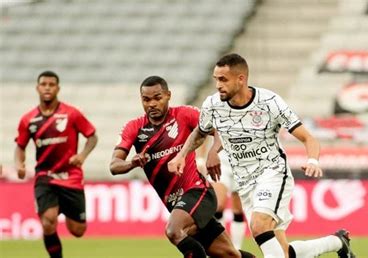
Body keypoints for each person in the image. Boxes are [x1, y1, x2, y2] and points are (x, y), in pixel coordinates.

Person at [168, 53, 356, 258]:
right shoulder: (213, 105)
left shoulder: (269, 102)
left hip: (272, 173)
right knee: (282, 252)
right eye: (216, 79)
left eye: (223, 79)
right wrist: (182, 155)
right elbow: (200, 132)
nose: (218, 85)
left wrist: (312, 159)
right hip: (245, 182)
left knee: (259, 226)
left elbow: (308, 138)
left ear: (241, 79)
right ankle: (338, 241)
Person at [109, 76, 255, 258]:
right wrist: (132, 162)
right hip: (178, 204)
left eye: (157, 98)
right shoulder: (134, 128)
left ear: (168, 95)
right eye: (146, 100)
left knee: (173, 231)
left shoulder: (184, 114)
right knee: (230, 254)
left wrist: (213, 152)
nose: (152, 104)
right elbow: (114, 165)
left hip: (198, 192)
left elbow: (220, 129)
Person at [14, 71, 98, 258]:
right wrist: (19, 164)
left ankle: (63, 208)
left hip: (71, 177)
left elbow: (92, 136)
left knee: (78, 231)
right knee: (48, 222)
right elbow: (20, 146)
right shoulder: (28, 119)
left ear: (57, 88)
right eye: (44, 84)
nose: (47, 88)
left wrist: (82, 155)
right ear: (37, 88)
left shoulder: (72, 113)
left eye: (51, 84)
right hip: (45, 176)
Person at [206, 150, 247, 250]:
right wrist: (200, 158)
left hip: (243, 163)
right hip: (220, 162)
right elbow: (203, 135)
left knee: (238, 209)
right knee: (218, 205)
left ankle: (236, 249)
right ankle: (222, 246)